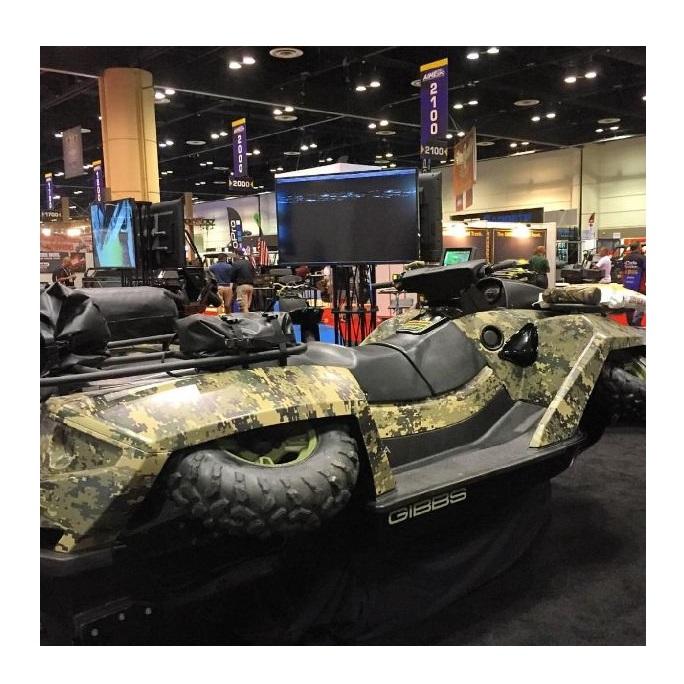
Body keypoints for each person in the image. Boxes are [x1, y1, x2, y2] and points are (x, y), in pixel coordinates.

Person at [622, 243, 646, 326]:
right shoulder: (642, 258)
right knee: (640, 304)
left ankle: (630, 322)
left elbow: (622, 271)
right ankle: (636, 323)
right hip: (639, 285)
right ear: (638, 248)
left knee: (629, 304)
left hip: (627, 285)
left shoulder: (625, 258)